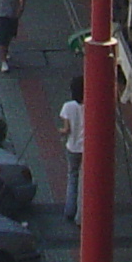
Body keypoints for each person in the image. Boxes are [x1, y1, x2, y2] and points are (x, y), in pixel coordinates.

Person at [58, 92, 86, 224]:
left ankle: (70, 210)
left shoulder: (68, 106)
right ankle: (80, 216)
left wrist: (60, 131)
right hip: (86, 148)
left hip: (72, 148)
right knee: (83, 181)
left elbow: (66, 129)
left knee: (72, 177)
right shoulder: (90, 106)